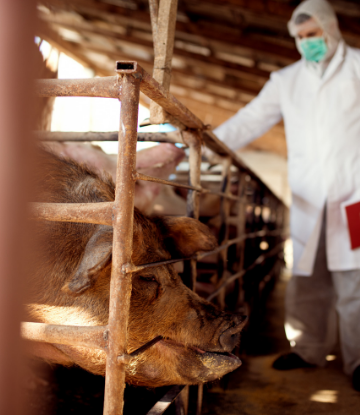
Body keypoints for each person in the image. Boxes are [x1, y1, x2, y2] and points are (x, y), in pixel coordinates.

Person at [211, 0, 360, 391]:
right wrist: (201, 143)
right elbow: (250, 119)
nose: (307, 43)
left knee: (355, 279)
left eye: (313, 34)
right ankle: (308, 349)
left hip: (355, 197)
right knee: (307, 276)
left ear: (331, 28)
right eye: (300, 38)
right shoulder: (286, 80)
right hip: (311, 198)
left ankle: (358, 360)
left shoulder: (359, 67)